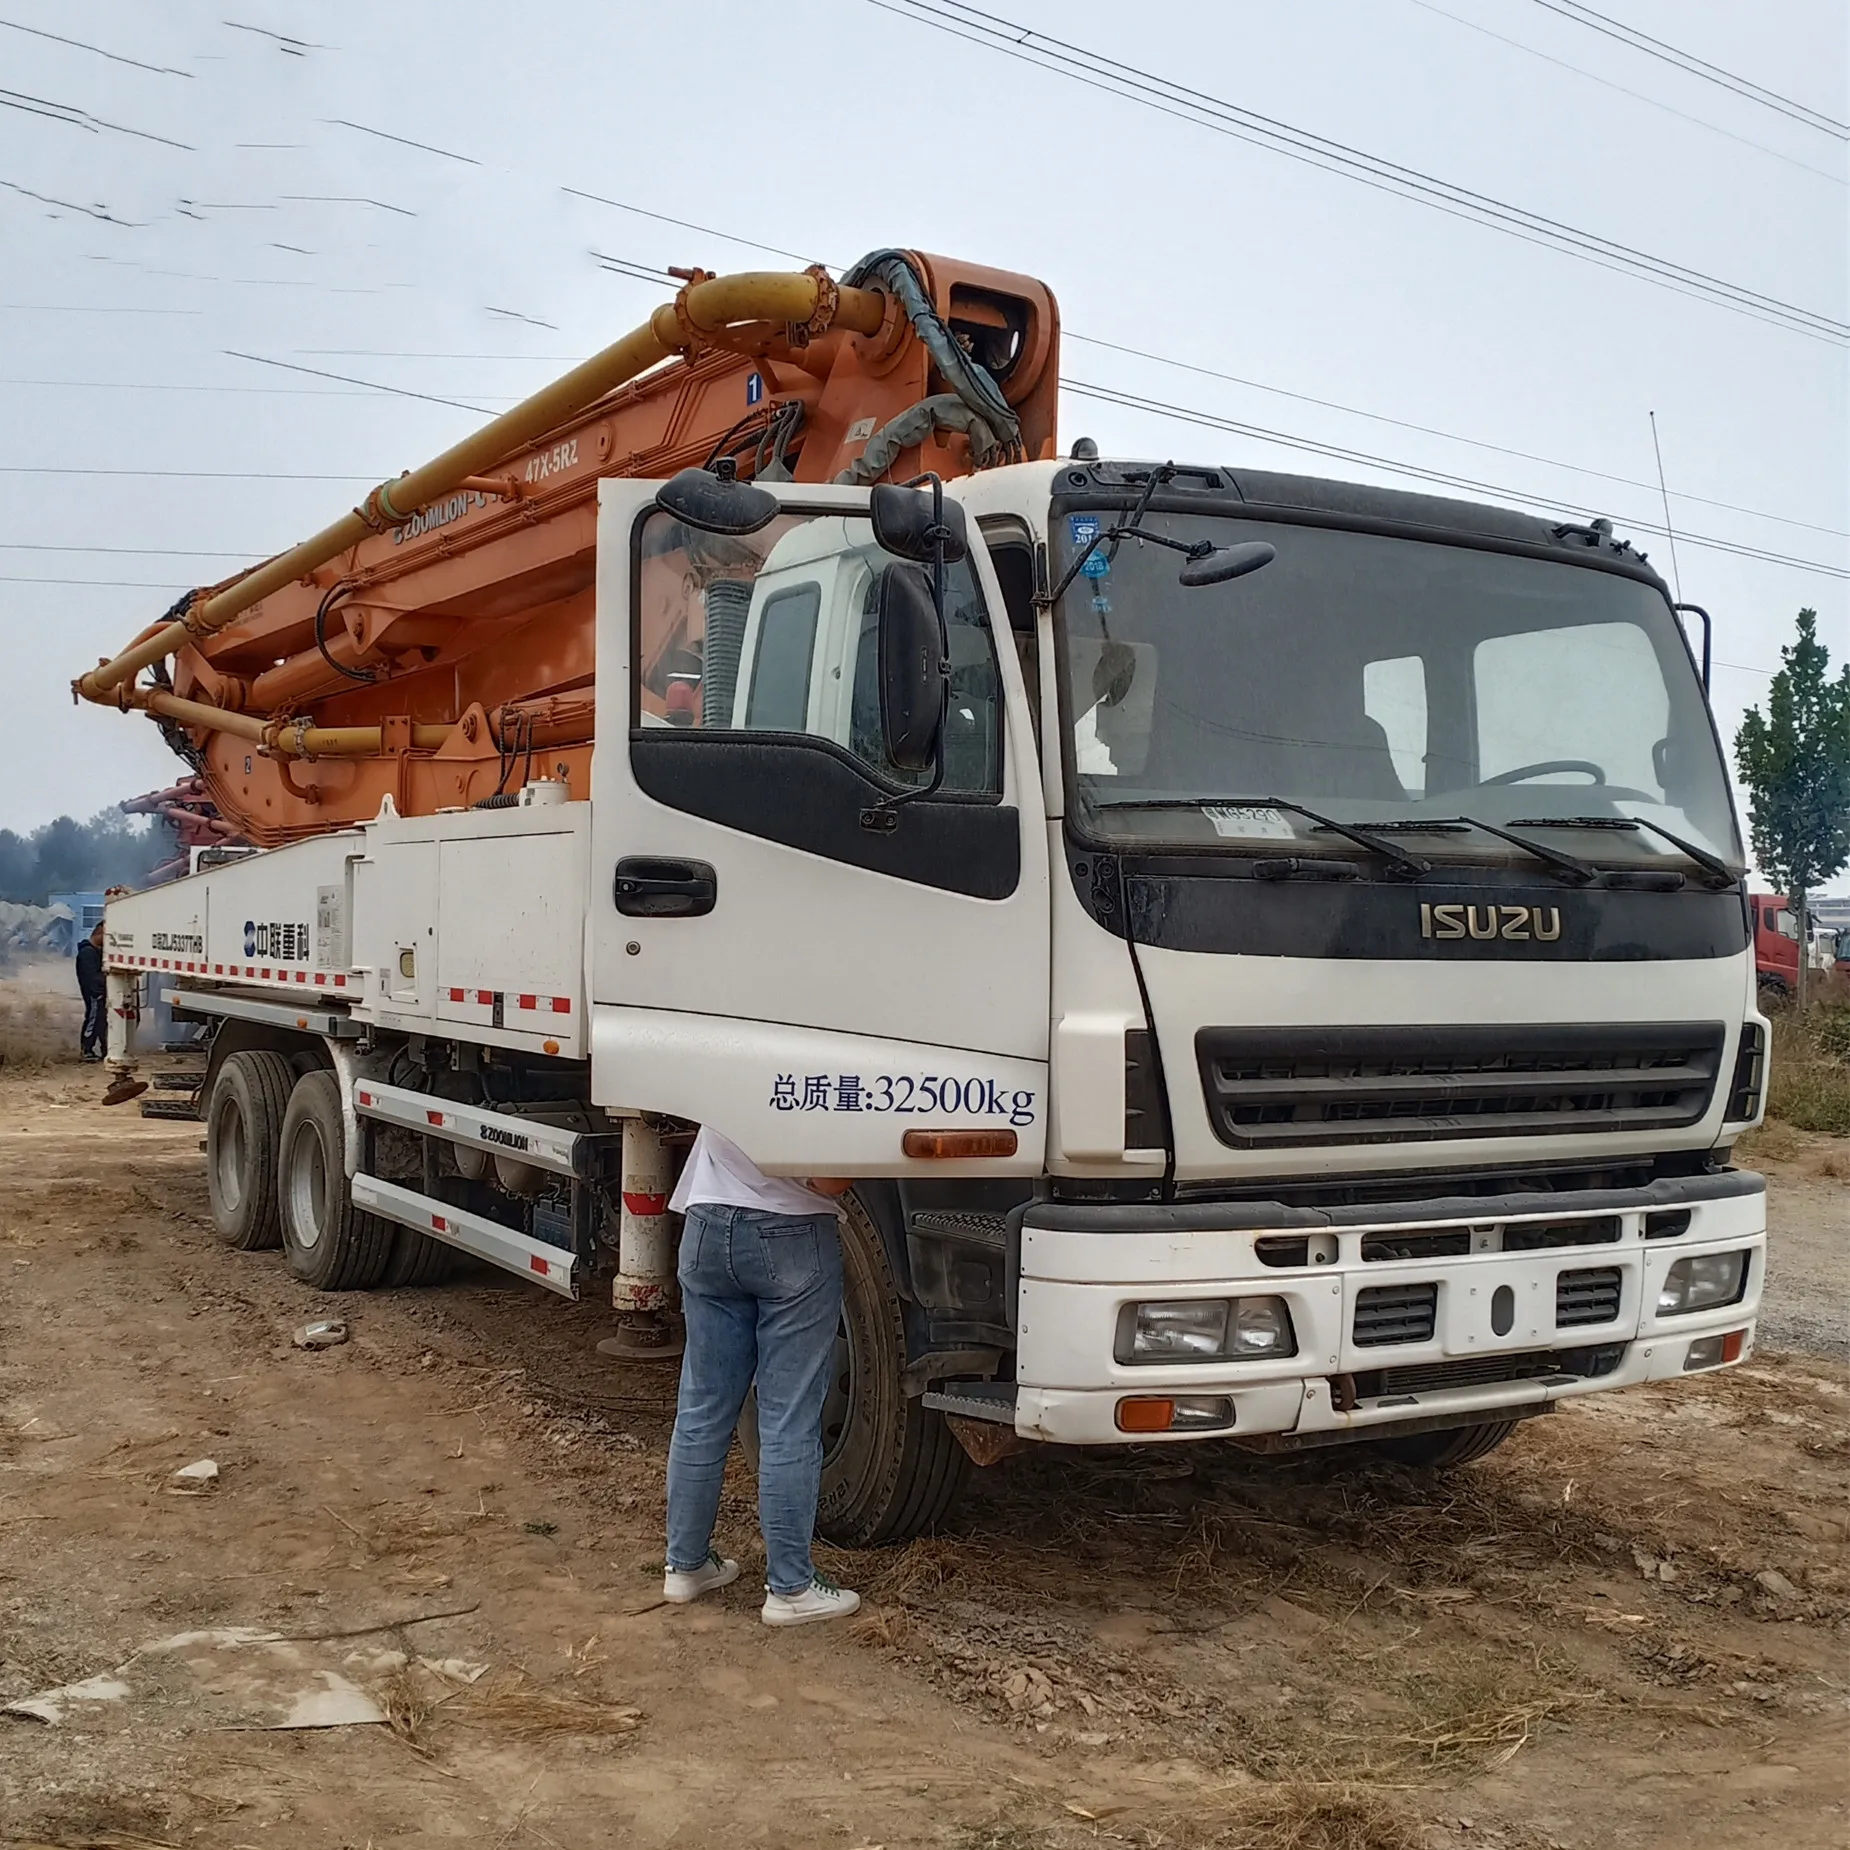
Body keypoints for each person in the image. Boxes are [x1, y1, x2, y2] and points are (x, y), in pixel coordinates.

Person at [660, 1126, 862, 1627]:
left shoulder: (728, 1045)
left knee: (703, 1410)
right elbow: (831, 1181)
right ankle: (790, 1588)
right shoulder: (823, 1056)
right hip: (791, 1231)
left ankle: (685, 1565)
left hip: (706, 1220)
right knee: (788, 1419)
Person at [76, 922, 107, 1062]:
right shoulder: (87, 953)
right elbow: (91, 977)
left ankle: (100, 1048)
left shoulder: (95, 951)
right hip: (94, 994)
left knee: (100, 1022)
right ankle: (87, 1049)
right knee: (93, 1020)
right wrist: (101, 988)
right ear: (99, 934)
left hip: (98, 992)